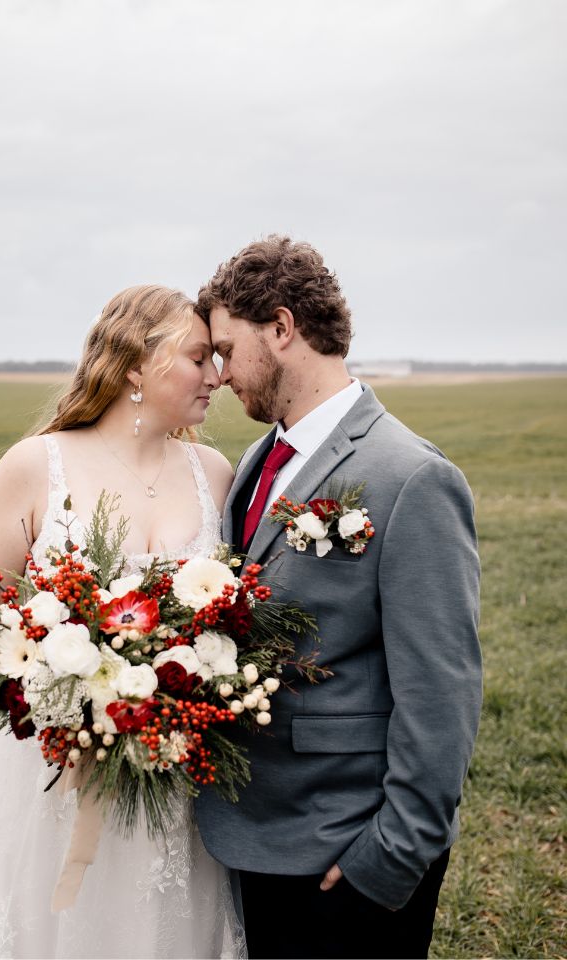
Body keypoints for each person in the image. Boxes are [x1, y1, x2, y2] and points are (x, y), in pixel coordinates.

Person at [0, 285, 245, 960]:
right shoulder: (34, 465)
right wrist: (64, 682)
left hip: (167, 776)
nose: (217, 376)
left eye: (218, 358)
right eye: (199, 358)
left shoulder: (216, 475)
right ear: (138, 363)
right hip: (42, 771)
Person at [194, 236, 482, 960]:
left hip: (345, 856)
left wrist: (388, 857)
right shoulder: (261, 460)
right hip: (255, 835)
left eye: (227, 349)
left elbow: (442, 691)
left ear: (283, 329)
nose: (221, 374)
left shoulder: (411, 477)